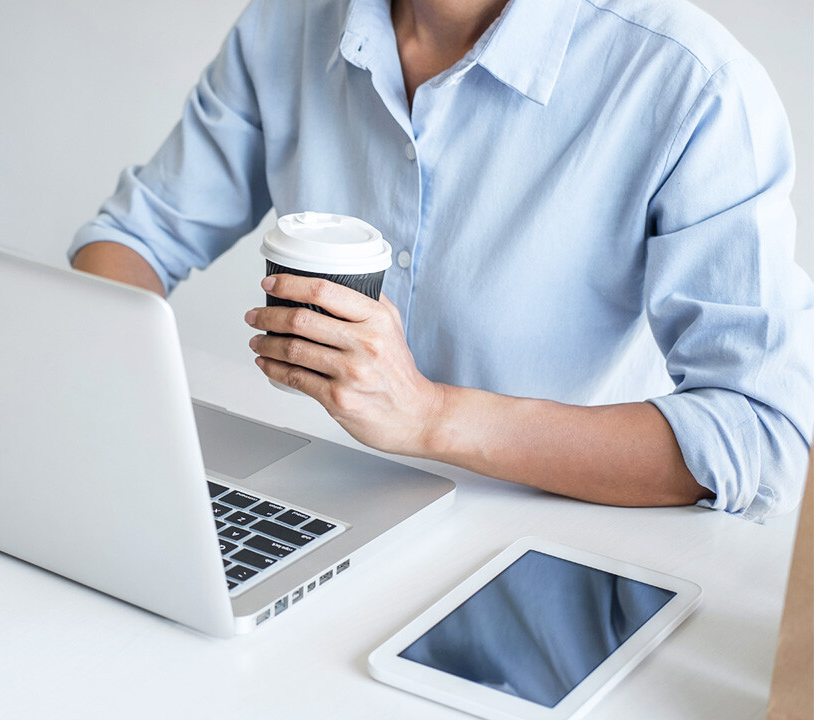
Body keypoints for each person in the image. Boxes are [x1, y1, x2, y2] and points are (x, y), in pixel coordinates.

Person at [69, 0, 814, 521]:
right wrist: (125, 418)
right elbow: (133, 240)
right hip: (327, 504)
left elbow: (763, 432)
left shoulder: (691, 83)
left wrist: (430, 418)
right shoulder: (287, 21)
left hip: (558, 543)